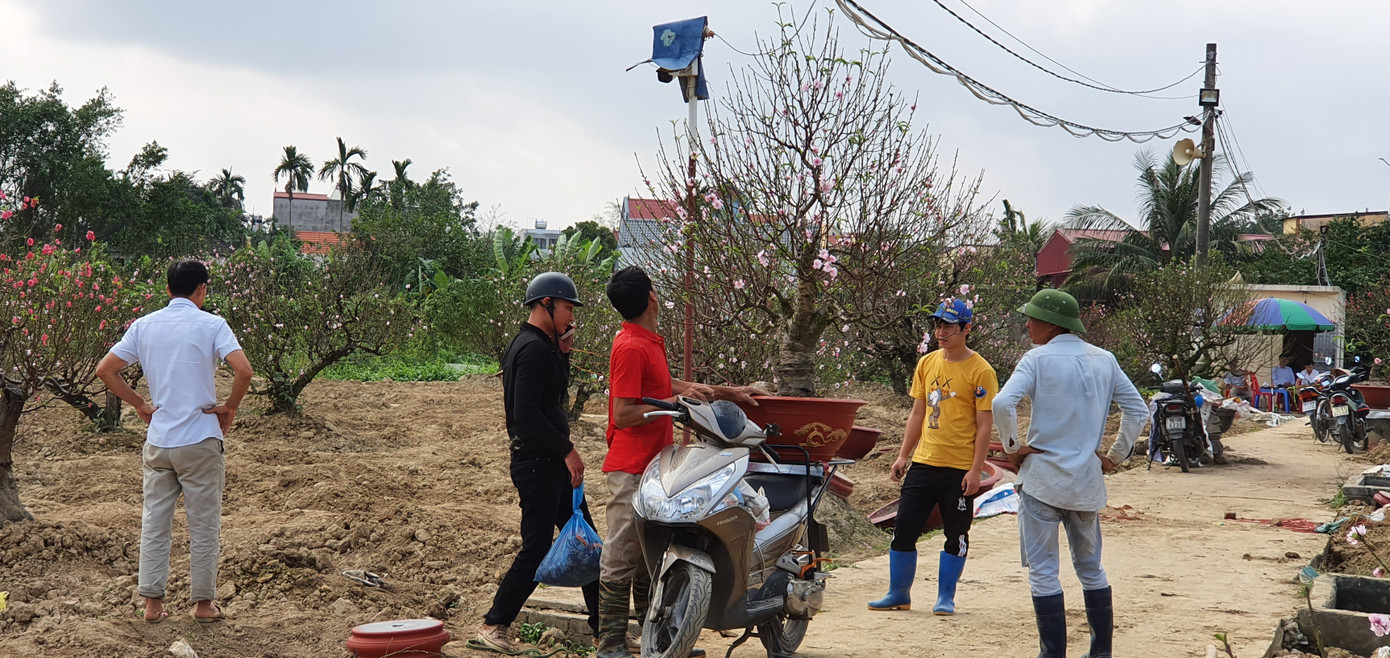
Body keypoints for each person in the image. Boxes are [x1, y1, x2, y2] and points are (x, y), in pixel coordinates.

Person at [597, 265, 760, 658]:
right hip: (630, 467)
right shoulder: (631, 346)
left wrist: (728, 392)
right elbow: (623, 412)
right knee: (622, 555)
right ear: (652, 297)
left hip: (655, 463)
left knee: (645, 555)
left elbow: (665, 386)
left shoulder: (647, 341)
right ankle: (610, 646)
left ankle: (654, 639)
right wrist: (676, 404)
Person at [95, 260, 253, 624]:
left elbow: (106, 370)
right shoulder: (213, 325)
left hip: (160, 440)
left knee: (154, 522)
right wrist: (229, 407)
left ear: (168, 290)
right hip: (200, 439)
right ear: (202, 289)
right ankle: (202, 605)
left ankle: (152, 605)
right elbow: (243, 370)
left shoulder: (144, 326)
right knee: (203, 525)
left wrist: (139, 404)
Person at [993, 289, 1147, 658]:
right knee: (1091, 567)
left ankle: (1052, 654)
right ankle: (1100, 652)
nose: (1027, 324)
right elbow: (1137, 410)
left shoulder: (1038, 359)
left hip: (1044, 478)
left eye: (1031, 318)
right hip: (1086, 481)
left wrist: (1013, 448)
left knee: (1044, 571)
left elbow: (1002, 402)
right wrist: (1113, 456)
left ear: (1050, 323)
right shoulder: (1105, 360)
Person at [477, 272, 601, 653]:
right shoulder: (530, 349)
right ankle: (494, 624)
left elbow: (552, 396)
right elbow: (526, 413)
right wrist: (567, 449)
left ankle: (604, 633)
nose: (571, 316)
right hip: (538, 464)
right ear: (545, 304)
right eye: (567, 308)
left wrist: (563, 352)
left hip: (550, 464)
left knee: (588, 544)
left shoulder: (541, 346)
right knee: (536, 547)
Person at [868, 298, 997, 616]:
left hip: (959, 470)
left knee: (956, 533)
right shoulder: (926, 364)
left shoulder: (981, 371)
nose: (940, 332)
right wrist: (903, 456)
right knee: (904, 528)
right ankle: (898, 593)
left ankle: (945, 597)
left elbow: (984, 425)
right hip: (924, 463)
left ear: (966, 329)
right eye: (937, 325)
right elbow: (917, 413)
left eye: (948, 326)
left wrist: (976, 469)